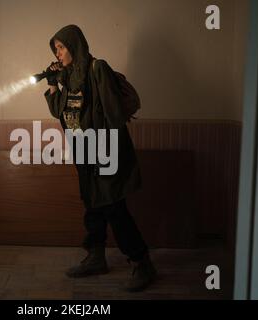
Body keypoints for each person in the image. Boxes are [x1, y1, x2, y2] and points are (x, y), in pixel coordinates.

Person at [43, 25, 156, 292]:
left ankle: (142, 262)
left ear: (75, 44)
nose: (57, 53)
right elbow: (59, 111)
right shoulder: (68, 77)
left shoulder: (97, 69)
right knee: (92, 204)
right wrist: (52, 83)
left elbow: (115, 115)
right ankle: (96, 258)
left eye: (61, 47)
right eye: (55, 49)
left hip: (103, 151)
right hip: (82, 151)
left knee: (114, 207)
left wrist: (102, 148)